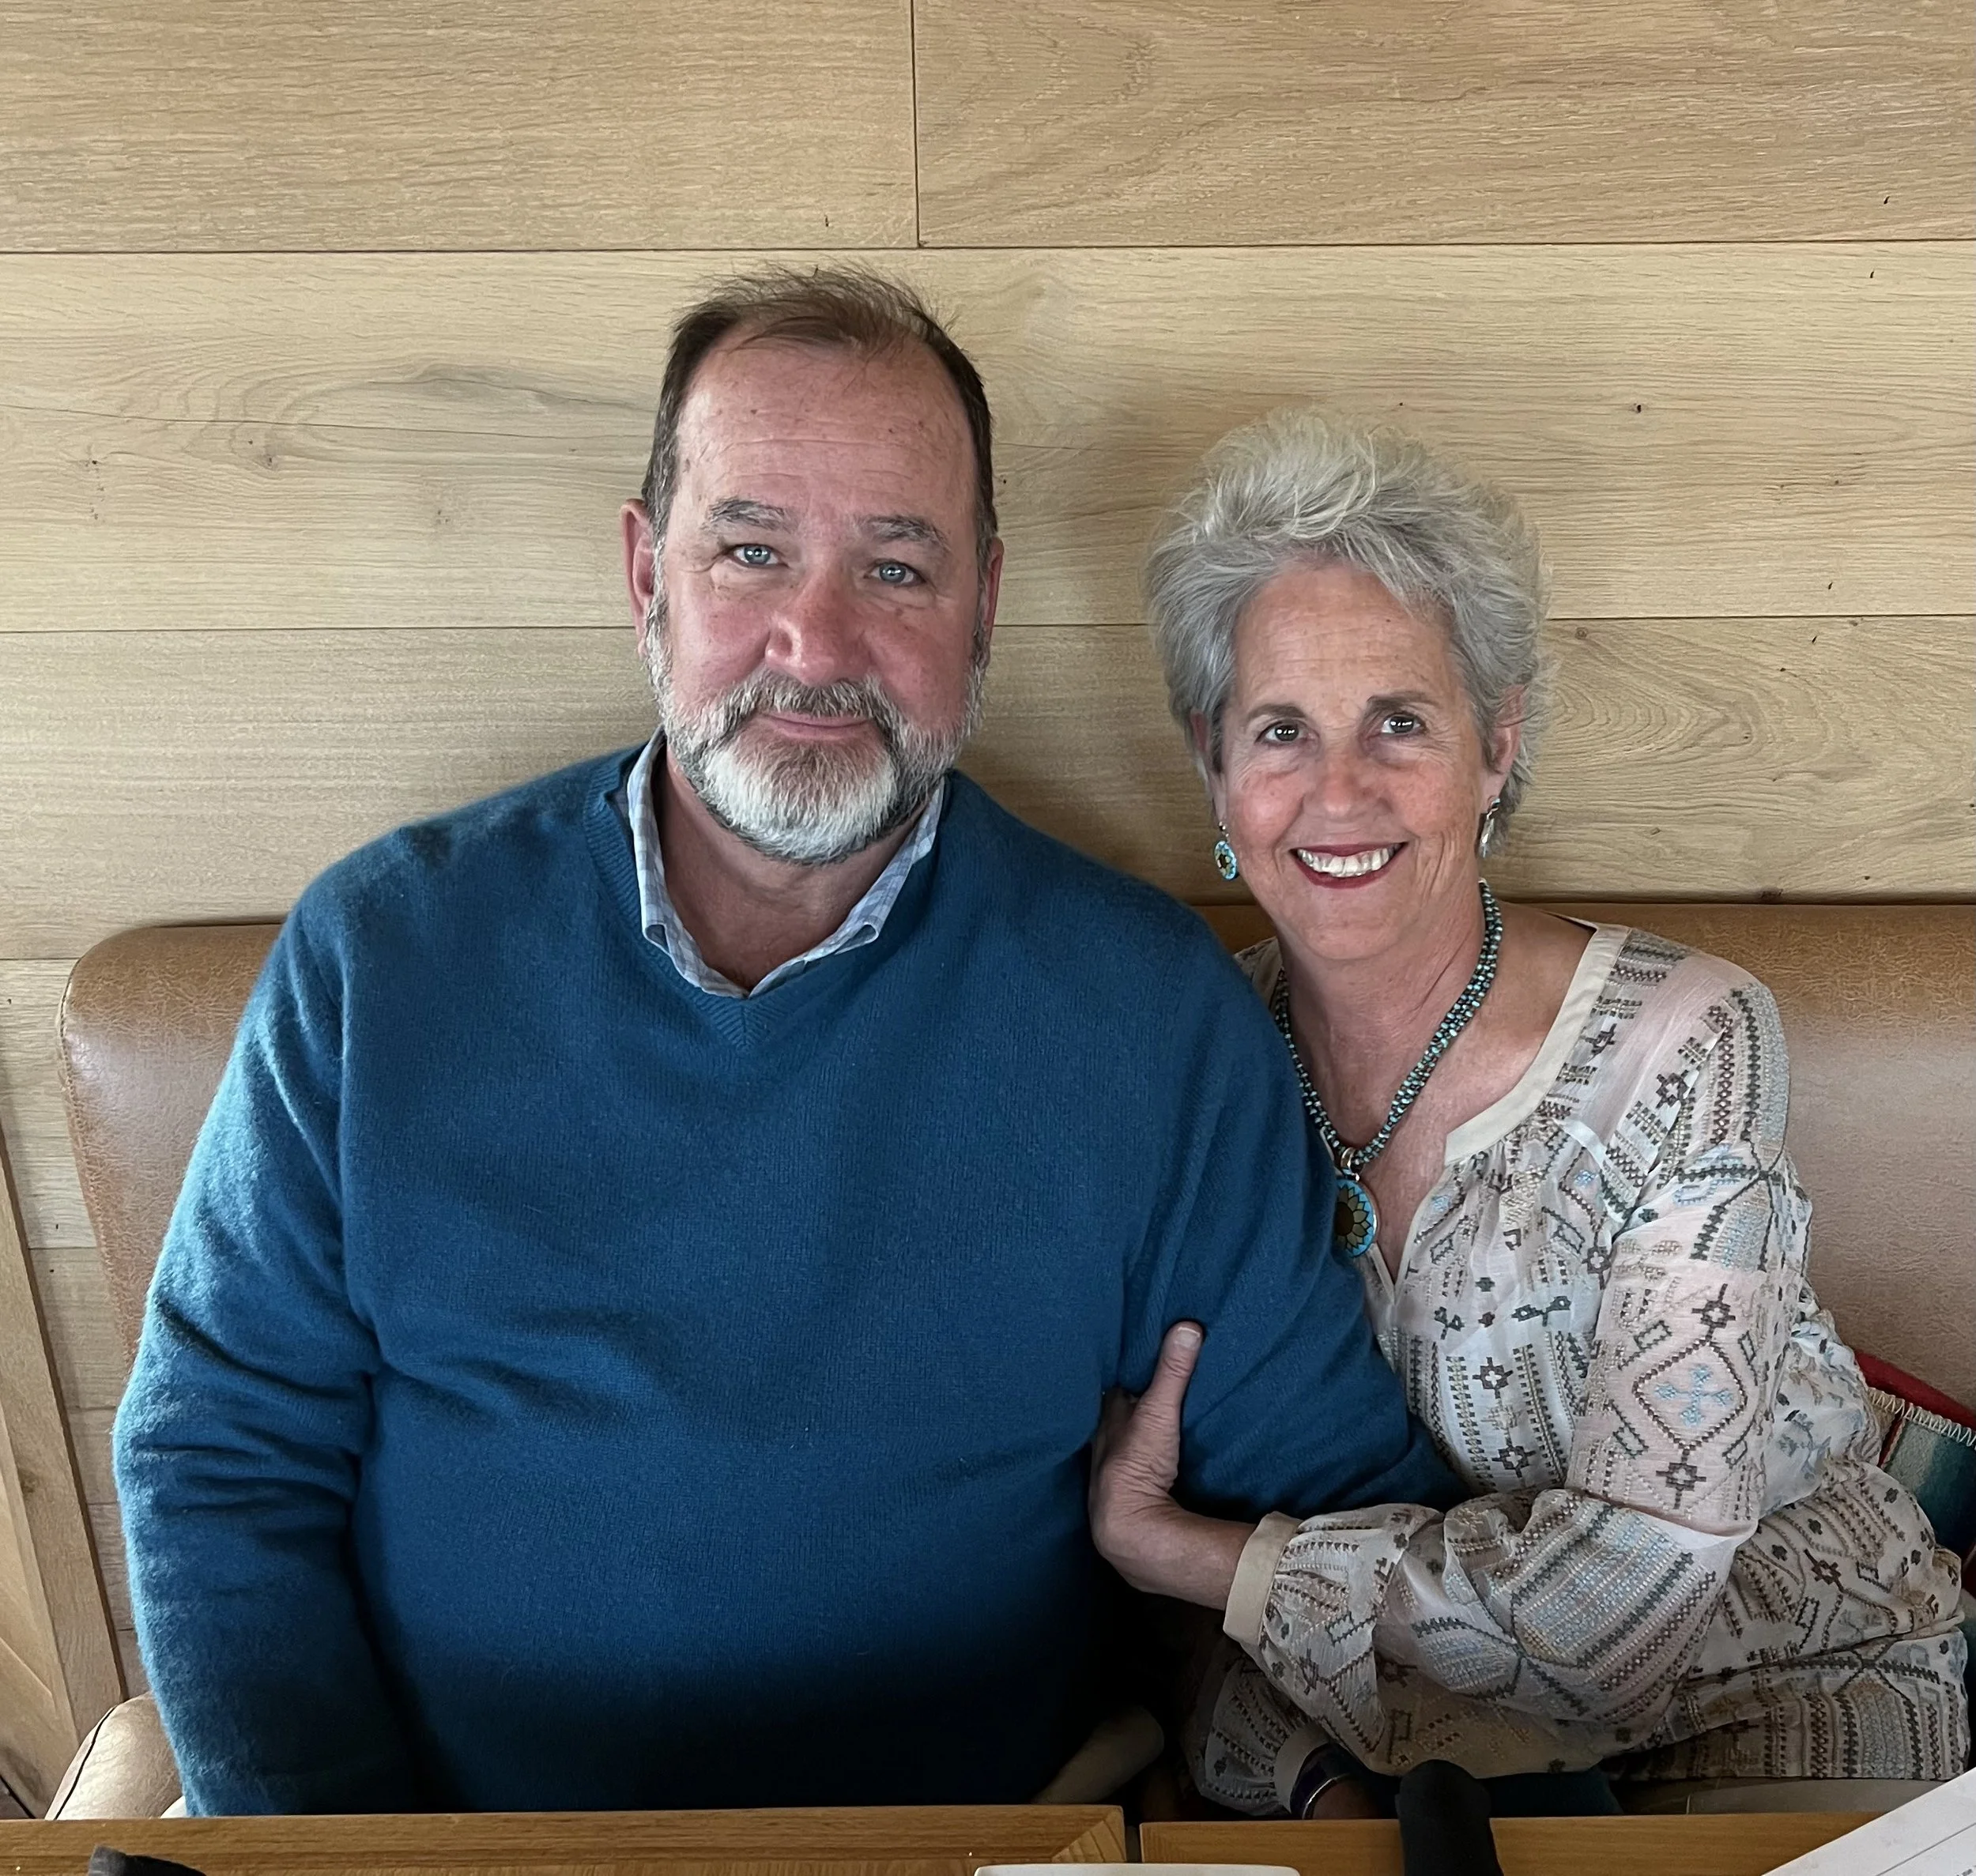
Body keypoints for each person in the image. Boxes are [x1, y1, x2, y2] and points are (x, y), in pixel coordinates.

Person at [112, 271, 1458, 1817]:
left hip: (979, 1843)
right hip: (469, 1850)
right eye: (749, 550)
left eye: (896, 565)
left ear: (982, 609)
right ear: (645, 574)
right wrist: (345, 1866)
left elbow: (1331, 1501)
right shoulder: (378, 958)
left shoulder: (1146, 1012)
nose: (814, 638)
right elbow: (220, 1462)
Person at [1089, 407, 1970, 1815]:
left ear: (1497, 747)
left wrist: (1194, 1553)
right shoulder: (1199, 1063)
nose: (1339, 791)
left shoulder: (1688, 1043)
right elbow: (1188, 1594)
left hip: (1786, 1684)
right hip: (1386, 1732)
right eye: (1279, 729)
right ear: (1213, 765)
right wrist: (1322, 1783)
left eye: (1401, 719)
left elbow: (1623, 1613)